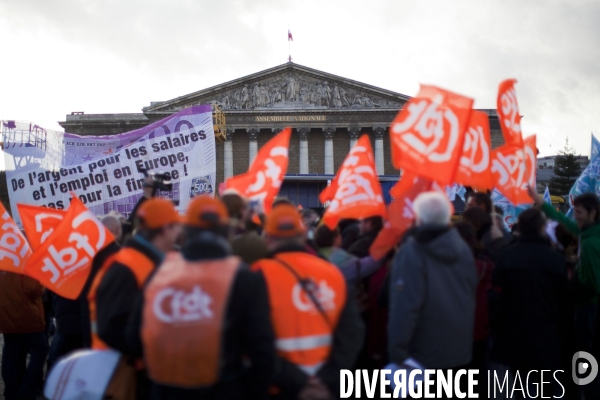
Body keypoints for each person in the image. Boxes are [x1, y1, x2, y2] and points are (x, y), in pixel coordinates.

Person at [126, 197, 275, 399]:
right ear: (226, 231)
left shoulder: (160, 272)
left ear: (186, 231)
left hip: (165, 390)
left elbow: (134, 338)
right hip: (224, 389)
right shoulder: (243, 277)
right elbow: (263, 349)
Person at [251, 204, 364, 399]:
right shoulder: (331, 274)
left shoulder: (257, 275)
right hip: (325, 388)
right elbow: (352, 333)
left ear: (267, 239)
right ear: (304, 236)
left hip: (279, 388)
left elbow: (253, 340)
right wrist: (325, 379)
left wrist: (298, 383)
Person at [388, 192, 477, 371]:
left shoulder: (412, 251)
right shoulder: (464, 250)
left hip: (420, 357)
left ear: (418, 217)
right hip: (459, 352)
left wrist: (397, 354)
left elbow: (405, 306)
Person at [489, 208, 569, 395]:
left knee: (522, 386)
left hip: (515, 334)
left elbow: (496, 298)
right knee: (548, 387)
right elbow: (564, 302)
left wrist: (496, 328)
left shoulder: (507, 256)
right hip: (548, 334)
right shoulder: (555, 259)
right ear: (542, 228)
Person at [0, 272, 48, 400]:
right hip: (27, 313)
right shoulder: (24, 260)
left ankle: (10, 392)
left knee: (10, 351)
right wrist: (42, 284)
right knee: (40, 349)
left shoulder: (3, 260)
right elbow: (34, 288)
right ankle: (27, 389)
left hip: (6, 312)